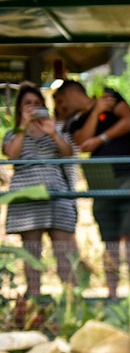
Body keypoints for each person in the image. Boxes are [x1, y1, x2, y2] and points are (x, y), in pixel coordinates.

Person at [55, 79, 130, 299]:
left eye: (61, 100)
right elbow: (82, 142)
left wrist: (102, 137)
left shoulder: (110, 95)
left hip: (126, 174)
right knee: (109, 240)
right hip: (100, 180)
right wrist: (95, 112)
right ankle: (112, 294)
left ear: (73, 93)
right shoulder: (74, 122)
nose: (60, 107)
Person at [2, 83, 79, 297]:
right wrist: (24, 125)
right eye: (28, 103)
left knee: (65, 251)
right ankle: (34, 300)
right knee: (32, 251)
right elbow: (12, 156)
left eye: (37, 103)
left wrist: (52, 133)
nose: (33, 107)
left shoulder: (56, 130)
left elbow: (68, 153)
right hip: (28, 199)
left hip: (57, 196)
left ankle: (72, 300)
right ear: (20, 109)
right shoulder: (12, 133)